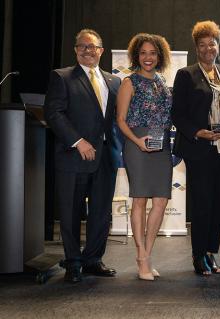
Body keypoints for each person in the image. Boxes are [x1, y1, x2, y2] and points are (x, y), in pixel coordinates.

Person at [44, 29, 121, 283]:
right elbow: (54, 113)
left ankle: (93, 260)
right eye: (82, 46)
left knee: (101, 213)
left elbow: (115, 120)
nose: (87, 50)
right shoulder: (62, 77)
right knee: (70, 212)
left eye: (92, 47)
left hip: (106, 158)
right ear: (76, 50)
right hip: (73, 157)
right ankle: (73, 262)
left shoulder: (114, 81)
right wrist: (78, 141)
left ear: (101, 50)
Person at [172, 20, 220, 276]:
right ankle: (198, 255)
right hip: (199, 149)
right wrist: (199, 132)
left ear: (218, 45)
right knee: (202, 204)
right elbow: (178, 113)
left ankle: (211, 252)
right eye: (203, 44)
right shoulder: (186, 75)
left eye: (212, 43)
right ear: (196, 48)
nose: (208, 48)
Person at [116, 33, 172, 281]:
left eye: (153, 53)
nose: (148, 58)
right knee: (139, 200)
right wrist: (138, 141)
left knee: (160, 200)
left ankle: (147, 255)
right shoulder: (129, 82)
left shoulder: (162, 81)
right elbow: (120, 120)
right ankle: (141, 257)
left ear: (159, 55)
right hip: (136, 142)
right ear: (136, 56)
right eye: (143, 53)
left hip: (161, 144)